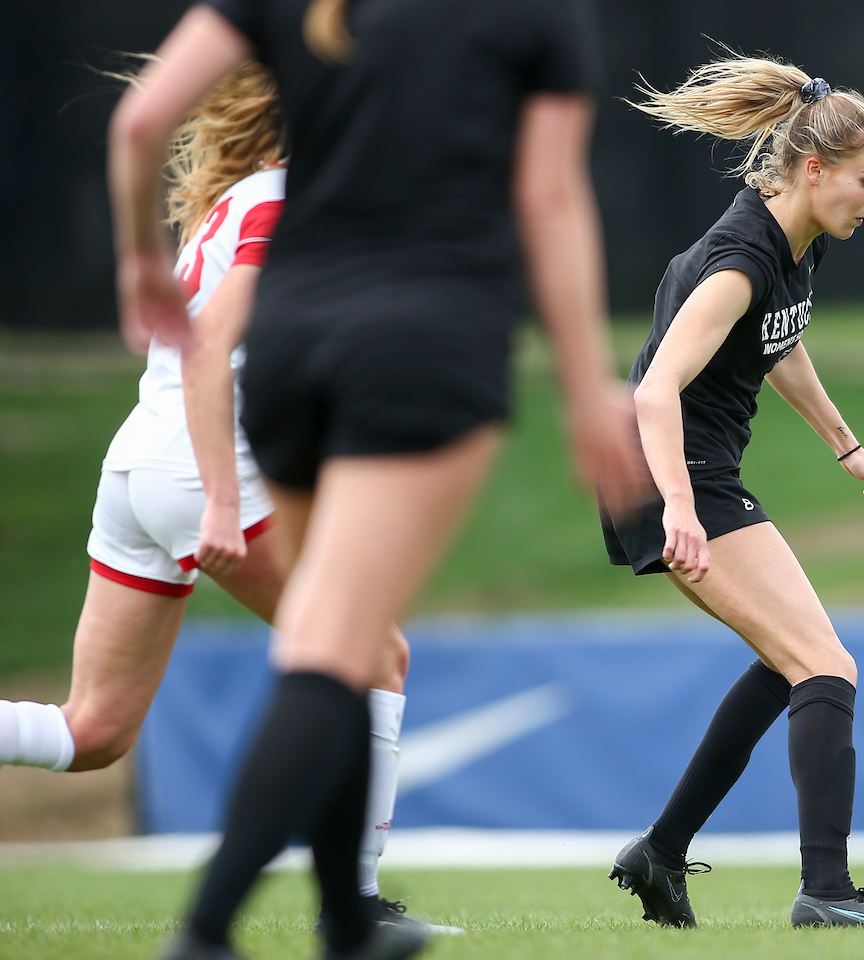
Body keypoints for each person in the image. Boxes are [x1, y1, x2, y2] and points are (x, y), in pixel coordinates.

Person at [107, 1, 643, 958]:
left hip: (289, 350)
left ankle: (349, 922)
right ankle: (206, 929)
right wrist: (583, 383)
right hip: (425, 345)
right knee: (335, 642)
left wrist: (146, 263)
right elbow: (548, 200)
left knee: (342, 640)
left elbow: (141, 121)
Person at [0, 59, 417, 925]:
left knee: (93, 733)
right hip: (199, 467)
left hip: (137, 467)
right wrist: (225, 501)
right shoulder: (282, 200)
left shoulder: (243, 200)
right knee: (376, 654)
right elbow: (210, 350)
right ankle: (361, 906)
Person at [602, 56, 864, 929]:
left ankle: (659, 855)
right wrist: (675, 505)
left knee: (797, 665)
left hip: (690, 477)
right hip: (670, 477)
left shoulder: (791, 244)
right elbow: (653, 390)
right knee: (824, 665)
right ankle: (825, 893)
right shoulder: (742, 260)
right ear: (814, 170)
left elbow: (777, 344)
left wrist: (845, 446)